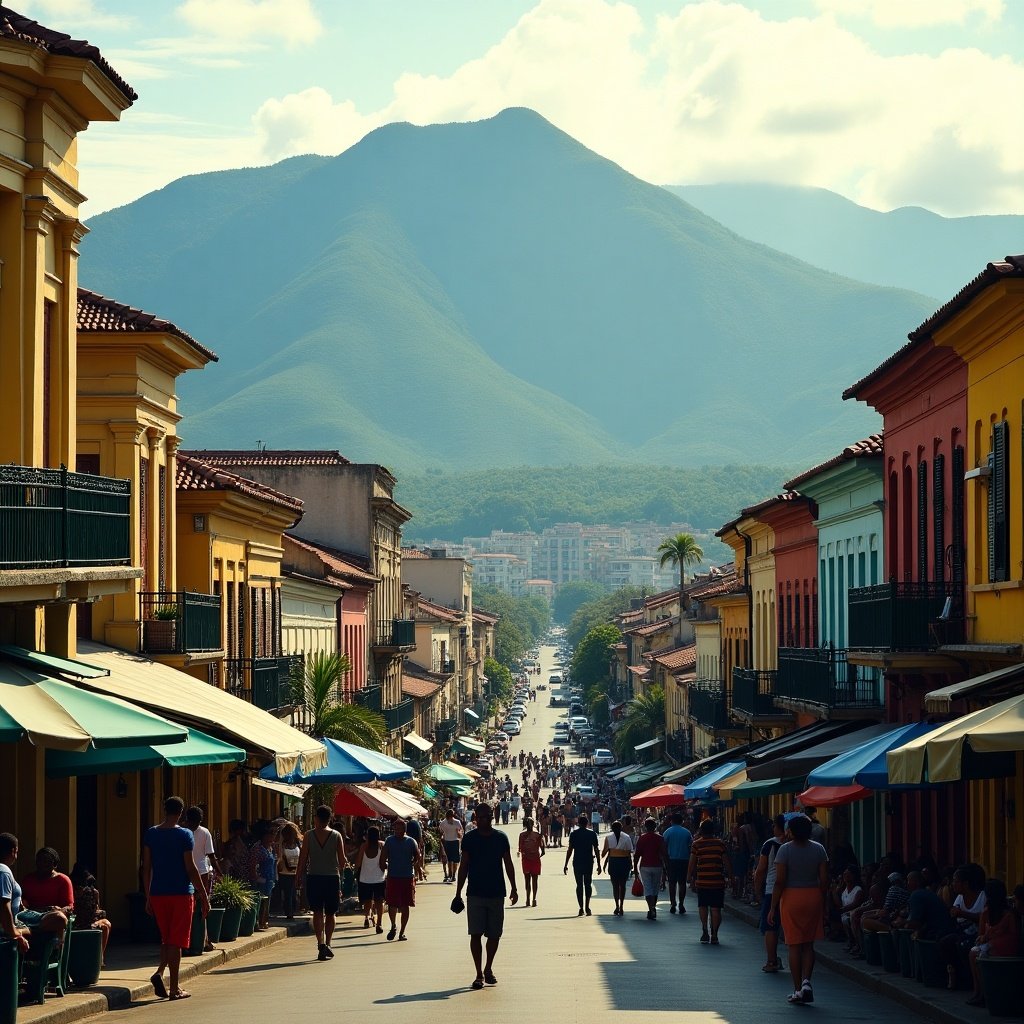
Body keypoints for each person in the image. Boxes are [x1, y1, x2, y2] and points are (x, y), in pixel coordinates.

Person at [142, 795, 210, 1001]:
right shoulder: (185, 835)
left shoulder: (151, 833)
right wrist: (204, 895)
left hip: (158, 894)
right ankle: (174, 988)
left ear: (164, 810)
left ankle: (160, 974)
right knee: (176, 942)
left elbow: (146, 867)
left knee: (166, 938)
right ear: (181, 813)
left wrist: (148, 896)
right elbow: (190, 868)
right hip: (181, 893)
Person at [454, 802, 518, 990]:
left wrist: (514, 888)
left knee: (494, 935)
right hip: (475, 893)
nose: (482, 820)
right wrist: (458, 892)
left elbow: (508, 863)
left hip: (497, 892)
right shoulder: (469, 839)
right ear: (475, 817)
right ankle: (479, 974)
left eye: (485, 817)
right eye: (479, 817)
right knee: (475, 934)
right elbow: (463, 866)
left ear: (492, 816)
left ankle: (488, 967)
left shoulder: (501, 838)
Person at [769, 814, 828, 1006]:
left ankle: (796, 989)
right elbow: (824, 879)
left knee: (794, 944)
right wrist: (822, 899)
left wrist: (772, 907)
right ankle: (806, 982)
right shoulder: (819, 849)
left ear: (791, 831)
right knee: (808, 944)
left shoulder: (784, 850)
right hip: (813, 896)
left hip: (792, 896)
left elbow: (779, 881)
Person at [295, 804, 348, 961]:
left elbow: (303, 859)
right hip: (332, 878)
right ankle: (329, 943)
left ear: (316, 818)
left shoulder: (309, 836)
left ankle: (321, 943)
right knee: (331, 913)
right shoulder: (337, 835)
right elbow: (342, 861)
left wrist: (298, 876)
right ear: (330, 818)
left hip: (314, 877)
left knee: (318, 911)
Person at [967, 879, 1018, 1006]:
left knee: (976, 955)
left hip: (1004, 949)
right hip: (991, 946)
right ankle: (979, 991)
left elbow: (1013, 937)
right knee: (973, 954)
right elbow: (980, 935)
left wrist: (992, 938)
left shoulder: (1008, 915)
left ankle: (981, 992)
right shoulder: (986, 913)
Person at [19, 847, 74, 945]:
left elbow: (69, 906)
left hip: (50, 918)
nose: (42, 864)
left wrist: (59, 911)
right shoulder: (28, 879)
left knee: (59, 918)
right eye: (40, 861)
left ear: (54, 864)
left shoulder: (63, 880)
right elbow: (22, 903)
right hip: (30, 917)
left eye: (46, 861)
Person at [688, 818, 730, 942]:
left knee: (703, 906)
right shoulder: (720, 844)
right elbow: (726, 861)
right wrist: (731, 876)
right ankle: (715, 934)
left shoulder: (696, 844)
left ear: (701, 830)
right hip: (717, 881)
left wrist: (689, 876)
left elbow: (692, 862)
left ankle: (705, 930)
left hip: (702, 881)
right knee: (716, 908)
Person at [753, 814, 786, 973]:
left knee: (770, 926)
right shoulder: (804, 845)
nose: (773, 828)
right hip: (796, 891)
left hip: (772, 890)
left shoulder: (770, 844)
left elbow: (760, 871)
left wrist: (757, 890)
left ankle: (772, 960)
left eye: (774, 825)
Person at [184, 807, 220, 951]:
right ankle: (201, 940)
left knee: (200, 907)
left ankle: (203, 939)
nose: (195, 825)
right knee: (199, 907)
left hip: (194, 873)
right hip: (198, 873)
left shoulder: (185, 831)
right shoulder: (203, 832)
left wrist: (219, 871)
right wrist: (219, 871)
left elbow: (211, 856)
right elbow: (211, 856)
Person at [380, 817, 420, 941]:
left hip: (407, 877)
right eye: (395, 828)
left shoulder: (411, 841)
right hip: (393, 877)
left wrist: (412, 864)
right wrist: (384, 867)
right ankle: (393, 926)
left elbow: (417, 855)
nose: (397, 831)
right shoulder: (389, 841)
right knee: (392, 903)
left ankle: (402, 931)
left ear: (404, 829)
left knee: (405, 905)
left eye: (400, 828)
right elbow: (383, 857)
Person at [69, 863, 112, 964]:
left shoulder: (70, 889)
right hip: (83, 924)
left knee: (105, 924)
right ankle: (99, 957)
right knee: (106, 925)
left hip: (74, 923)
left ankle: (99, 957)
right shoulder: (92, 892)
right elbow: (97, 911)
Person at [564, 814, 601, 917]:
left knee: (579, 885)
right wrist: (599, 864)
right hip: (588, 862)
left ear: (578, 823)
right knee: (588, 884)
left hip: (577, 862)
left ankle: (581, 908)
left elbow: (570, 850)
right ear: (587, 823)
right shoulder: (592, 834)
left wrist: (566, 863)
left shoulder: (574, 834)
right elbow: (596, 850)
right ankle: (587, 907)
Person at [0, 834, 31, 958]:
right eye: (17, 852)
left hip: (10, 924)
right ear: (13, 851)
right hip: (5, 928)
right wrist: (14, 934)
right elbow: (3, 904)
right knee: (35, 930)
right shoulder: (4, 871)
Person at [633, 817, 667, 921]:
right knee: (655, 888)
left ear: (645, 827)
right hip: (657, 866)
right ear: (655, 826)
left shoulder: (642, 838)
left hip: (645, 866)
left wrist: (635, 868)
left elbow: (637, 855)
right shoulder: (660, 838)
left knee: (648, 888)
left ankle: (651, 908)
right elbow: (664, 853)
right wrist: (666, 867)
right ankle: (653, 908)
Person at [355, 826, 386, 934]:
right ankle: (379, 923)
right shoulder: (382, 845)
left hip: (365, 878)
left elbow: (358, 863)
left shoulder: (364, 846)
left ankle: (367, 917)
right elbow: (384, 862)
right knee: (379, 901)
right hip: (379, 878)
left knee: (367, 900)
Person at [662, 812, 693, 915]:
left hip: (671, 860)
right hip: (684, 860)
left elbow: (664, 848)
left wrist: (665, 861)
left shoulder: (667, 832)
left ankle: (673, 903)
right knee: (682, 883)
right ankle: (681, 904)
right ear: (682, 821)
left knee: (672, 883)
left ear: (672, 821)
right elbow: (691, 847)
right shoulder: (687, 833)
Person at [602, 820, 634, 916]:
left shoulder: (608, 838)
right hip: (624, 862)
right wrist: (631, 864)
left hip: (614, 862)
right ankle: (621, 906)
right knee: (622, 885)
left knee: (615, 886)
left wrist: (604, 861)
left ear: (612, 829)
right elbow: (629, 852)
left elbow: (604, 853)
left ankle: (617, 906)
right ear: (621, 828)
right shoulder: (626, 837)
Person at [251, 822, 277, 930]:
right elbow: (253, 864)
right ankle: (257, 922)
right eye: (269, 835)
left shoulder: (270, 849)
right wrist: (256, 877)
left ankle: (264, 921)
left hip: (269, 879)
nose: (272, 838)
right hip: (261, 879)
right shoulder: (257, 848)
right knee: (260, 902)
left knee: (267, 902)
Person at [517, 817, 544, 907]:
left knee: (527, 880)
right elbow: (543, 850)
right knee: (535, 880)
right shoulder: (537, 835)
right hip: (535, 859)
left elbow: (520, 849)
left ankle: (528, 899)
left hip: (526, 860)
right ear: (533, 825)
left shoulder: (521, 835)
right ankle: (534, 899)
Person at [277, 822, 301, 920]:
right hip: (288, 872)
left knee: (291, 894)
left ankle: (290, 911)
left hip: (290, 872)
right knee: (289, 893)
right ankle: (289, 912)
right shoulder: (290, 845)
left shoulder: (295, 845)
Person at [439, 809, 464, 884]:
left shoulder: (455, 822)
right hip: (450, 842)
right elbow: (441, 831)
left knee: (454, 860)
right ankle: (451, 875)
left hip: (453, 841)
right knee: (450, 860)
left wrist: (458, 833)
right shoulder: (445, 822)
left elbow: (461, 831)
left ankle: (452, 875)